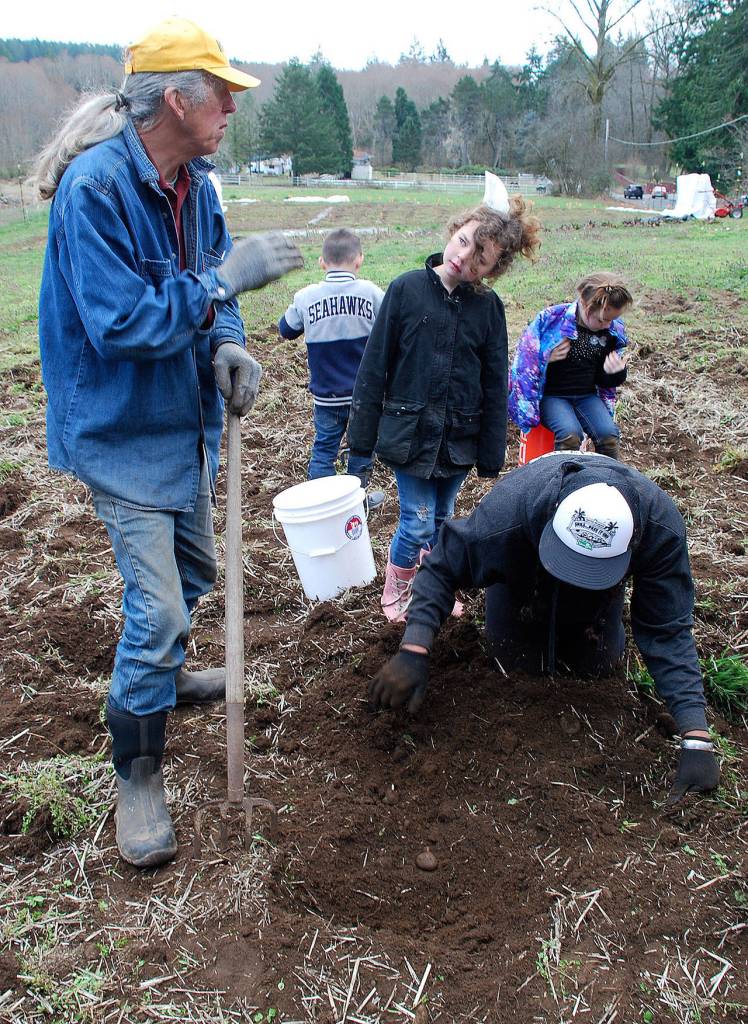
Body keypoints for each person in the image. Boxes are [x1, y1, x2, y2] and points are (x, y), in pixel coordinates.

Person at [36, 17, 303, 868]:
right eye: (220, 92)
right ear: (176, 99)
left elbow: (212, 284)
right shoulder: (97, 191)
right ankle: (137, 774)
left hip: (182, 420)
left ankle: (168, 680)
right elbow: (119, 325)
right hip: (119, 429)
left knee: (190, 576)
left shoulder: (199, 184)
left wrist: (230, 335)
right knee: (154, 611)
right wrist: (222, 286)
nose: (231, 106)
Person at [367, 453, 720, 805]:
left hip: (603, 590)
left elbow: (667, 629)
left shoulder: (660, 530)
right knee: (512, 657)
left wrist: (695, 735)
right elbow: (441, 568)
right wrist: (414, 649)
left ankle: (593, 600)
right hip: (527, 563)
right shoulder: (505, 517)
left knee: (596, 665)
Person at [348, 197, 541, 622]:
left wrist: (491, 453)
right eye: (464, 242)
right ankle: (398, 588)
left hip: (458, 439)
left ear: (493, 271)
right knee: (416, 521)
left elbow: (495, 382)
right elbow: (374, 366)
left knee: (443, 520)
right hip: (410, 434)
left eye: (480, 260)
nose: (464, 258)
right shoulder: (406, 290)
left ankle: (434, 585)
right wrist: (361, 439)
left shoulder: (488, 309)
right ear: (455, 230)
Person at [278, 228, 385, 508]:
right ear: (359, 261)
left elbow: (286, 330)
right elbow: (390, 332)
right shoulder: (372, 294)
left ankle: (321, 505)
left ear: (322, 262)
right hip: (364, 395)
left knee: (324, 448)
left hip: (326, 395)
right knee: (361, 448)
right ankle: (356, 503)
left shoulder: (305, 297)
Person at [508, 272, 632, 459]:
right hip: (553, 397)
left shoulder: (611, 332)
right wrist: (546, 359)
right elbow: (525, 363)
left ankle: (610, 478)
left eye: (611, 320)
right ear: (584, 303)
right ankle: (564, 481)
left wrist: (615, 373)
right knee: (570, 435)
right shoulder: (551, 321)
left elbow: (604, 380)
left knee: (609, 436)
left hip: (586, 396)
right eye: (601, 320)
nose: (607, 325)